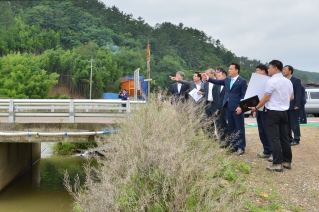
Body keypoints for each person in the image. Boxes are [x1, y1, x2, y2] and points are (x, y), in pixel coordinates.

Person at [249, 60, 294, 172]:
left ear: (275, 68)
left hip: (273, 112)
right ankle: (287, 161)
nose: (268, 70)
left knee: (274, 138)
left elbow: (266, 98)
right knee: (284, 137)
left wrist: (255, 107)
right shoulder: (288, 81)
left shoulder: (271, 81)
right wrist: (282, 101)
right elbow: (292, 97)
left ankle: (277, 163)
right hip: (284, 112)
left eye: (269, 68)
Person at [203, 63, 247, 156]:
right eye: (229, 68)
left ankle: (241, 147)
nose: (229, 70)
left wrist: (241, 107)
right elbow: (217, 82)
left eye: (231, 69)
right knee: (231, 128)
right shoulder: (227, 80)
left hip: (237, 108)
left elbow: (244, 96)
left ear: (237, 70)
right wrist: (207, 78)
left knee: (239, 128)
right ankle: (234, 145)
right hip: (228, 107)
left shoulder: (242, 81)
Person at [253, 64, 273, 161]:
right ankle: (266, 150)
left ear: (264, 71)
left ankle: (272, 151)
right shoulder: (257, 82)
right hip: (259, 109)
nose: (256, 72)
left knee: (268, 131)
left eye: (258, 70)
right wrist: (255, 109)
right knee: (261, 131)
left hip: (266, 109)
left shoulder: (269, 81)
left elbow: (267, 97)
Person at [283, 65, 302, 146]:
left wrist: (297, 104)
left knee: (294, 123)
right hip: (285, 105)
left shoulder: (296, 80)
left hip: (293, 105)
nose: (284, 71)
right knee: (286, 123)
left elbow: (298, 93)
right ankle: (289, 138)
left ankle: (296, 138)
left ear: (290, 71)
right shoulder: (283, 80)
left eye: (285, 69)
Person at [215, 68, 228, 144]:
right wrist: (217, 108)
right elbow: (217, 98)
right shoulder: (218, 86)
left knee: (228, 127)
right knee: (221, 126)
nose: (217, 78)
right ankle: (223, 141)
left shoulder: (228, 85)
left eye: (219, 76)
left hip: (226, 109)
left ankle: (229, 141)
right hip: (220, 110)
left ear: (224, 76)